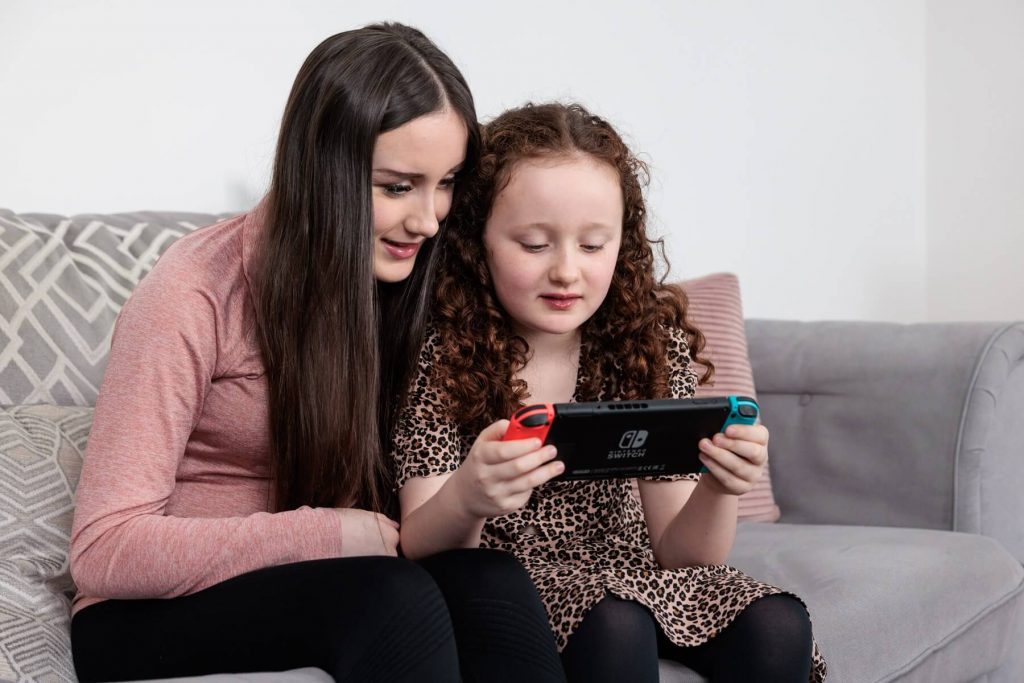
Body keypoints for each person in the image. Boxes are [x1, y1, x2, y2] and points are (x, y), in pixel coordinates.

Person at [69, 24, 563, 683]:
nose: (428, 218)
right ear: (322, 168)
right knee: (392, 599)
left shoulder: (408, 282)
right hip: (147, 615)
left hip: (327, 580)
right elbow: (105, 549)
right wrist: (328, 534)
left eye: (444, 183)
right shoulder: (193, 294)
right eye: (398, 186)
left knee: (489, 581)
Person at [392, 102, 828, 682]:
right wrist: (471, 493)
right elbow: (419, 540)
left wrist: (721, 485)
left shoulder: (644, 345)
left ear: (622, 245)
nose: (567, 271)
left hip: (634, 573)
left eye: (593, 245)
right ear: (478, 242)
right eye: (534, 244)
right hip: (514, 584)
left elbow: (684, 554)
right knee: (614, 623)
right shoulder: (444, 354)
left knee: (779, 623)